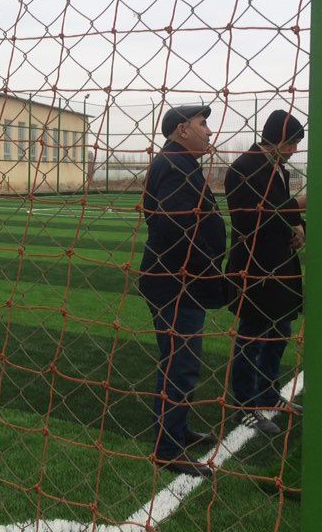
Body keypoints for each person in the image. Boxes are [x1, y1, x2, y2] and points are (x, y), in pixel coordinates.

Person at [139, 104, 227, 477]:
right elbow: (176, 231)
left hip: (175, 279)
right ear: (181, 129)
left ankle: (178, 430)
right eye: (202, 123)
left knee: (178, 362)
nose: (209, 131)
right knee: (182, 364)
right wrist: (209, 270)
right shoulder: (175, 165)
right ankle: (169, 449)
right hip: (176, 283)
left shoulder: (177, 162)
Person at [224, 110, 306, 435]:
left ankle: (270, 395)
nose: (295, 150)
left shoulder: (278, 169)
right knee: (251, 338)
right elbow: (250, 221)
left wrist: (298, 229)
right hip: (254, 269)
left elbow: (278, 217)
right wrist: (297, 207)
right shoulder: (242, 169)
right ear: (278, 140)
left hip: (280, 266)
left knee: (279, 334)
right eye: (293, 143)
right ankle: (243, 406)